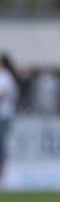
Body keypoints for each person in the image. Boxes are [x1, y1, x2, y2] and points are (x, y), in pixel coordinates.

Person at [0, 54, 20, 182]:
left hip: (3, 115)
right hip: (6, 114)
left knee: (1, 145)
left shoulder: (5, 77)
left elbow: (2, 95)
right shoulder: (8, 77)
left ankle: (2, 175)